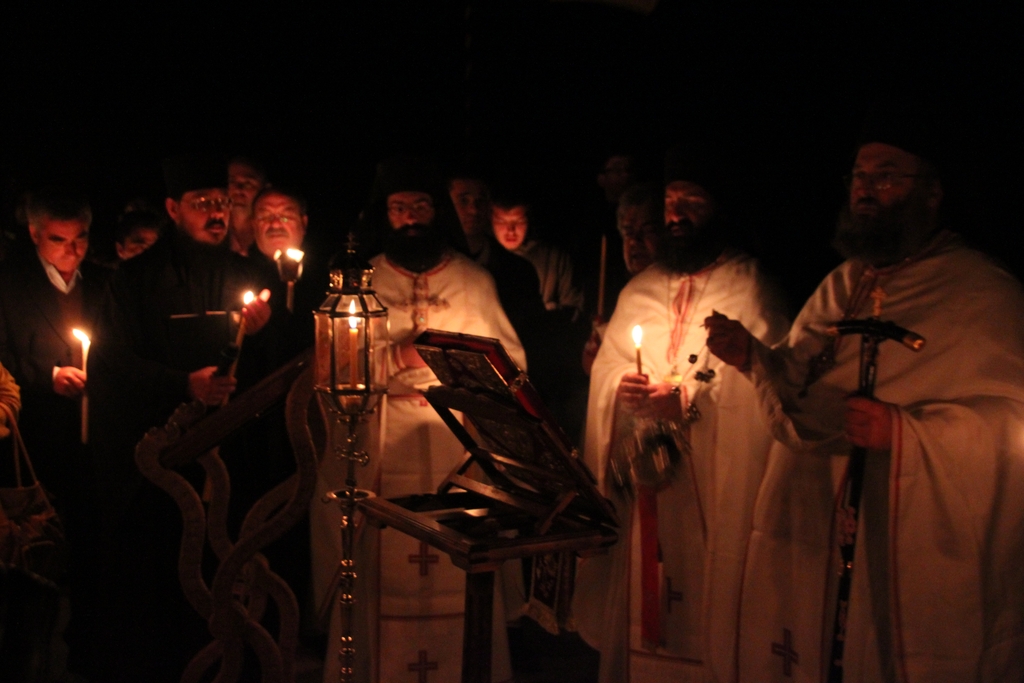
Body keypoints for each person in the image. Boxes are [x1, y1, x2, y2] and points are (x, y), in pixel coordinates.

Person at [706, 115, 1024, 681]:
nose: (864, 188)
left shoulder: (982, 290)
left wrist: (909, 435)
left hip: (897, 529)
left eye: (886, 175)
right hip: (811, 521)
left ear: (931, 192)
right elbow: (802, 382)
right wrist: (754, 357)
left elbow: (1010, 425)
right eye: (858, 174)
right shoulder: (842, 282)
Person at [572, 154, 789, 683]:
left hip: (715, 490)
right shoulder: (640, 289)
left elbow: (772, 385)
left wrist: (689, 402)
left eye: (692, 201)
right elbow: (611, 369)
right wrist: (619, 388)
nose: (677, 214)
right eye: (670, 202)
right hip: (648, 495)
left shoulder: (750, 284)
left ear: (719, 208)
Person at [311, 157, 526, 683]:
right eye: (399, 207)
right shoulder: (366, 281)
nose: (410, 217)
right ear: (385, 214)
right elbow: (330, 367)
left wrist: (461, 369)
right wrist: (395, 359)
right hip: (381, 451)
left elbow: (513, 368)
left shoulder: (473, 280)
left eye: (421, 206)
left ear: (438, 211)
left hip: (459, 456)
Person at [86, 153, 270, 683]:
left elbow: (263, 371)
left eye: (222, 202)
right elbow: (111, 364)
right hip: (158, 467)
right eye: (202, 203)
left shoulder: (246, 273)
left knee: (224, 573)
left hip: (228, 460)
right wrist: (181, 384)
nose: (216, 213)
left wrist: (257, 336)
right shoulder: (136, 279)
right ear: (173, 207)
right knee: (155, 586)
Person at [582, 182, 661, 376]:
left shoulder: (675, 291)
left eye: (647, 230)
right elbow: (590, 368)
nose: (635, 241)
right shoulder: (613, 292)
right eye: (628, 232)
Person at [227, 156, 269, 256]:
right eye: (232, 182)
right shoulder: (212, 231)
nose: (238, 190)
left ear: (264, 189)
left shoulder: (272, 231)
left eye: (248, 184)